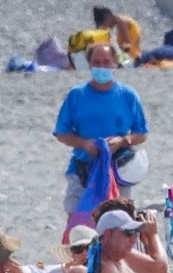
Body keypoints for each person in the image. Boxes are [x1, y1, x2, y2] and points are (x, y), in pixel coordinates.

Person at [53, 42, 148, 215]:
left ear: (115, 63)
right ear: (89, 64)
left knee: (119, 223)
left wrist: (123, 141)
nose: (101, 66)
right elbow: (61, 132)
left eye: (106, 61)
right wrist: (85, 144)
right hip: (83, 170)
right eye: (96, 62)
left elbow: (141, 133)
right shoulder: (77, 95)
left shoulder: (128, 95)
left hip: (118, 171)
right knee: (77, 221)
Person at [91, 198, 170, 273]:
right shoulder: (113, 252)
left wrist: (147, 243)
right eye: (128, 232)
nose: (133, 237)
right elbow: (159, 269)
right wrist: (153, 235)